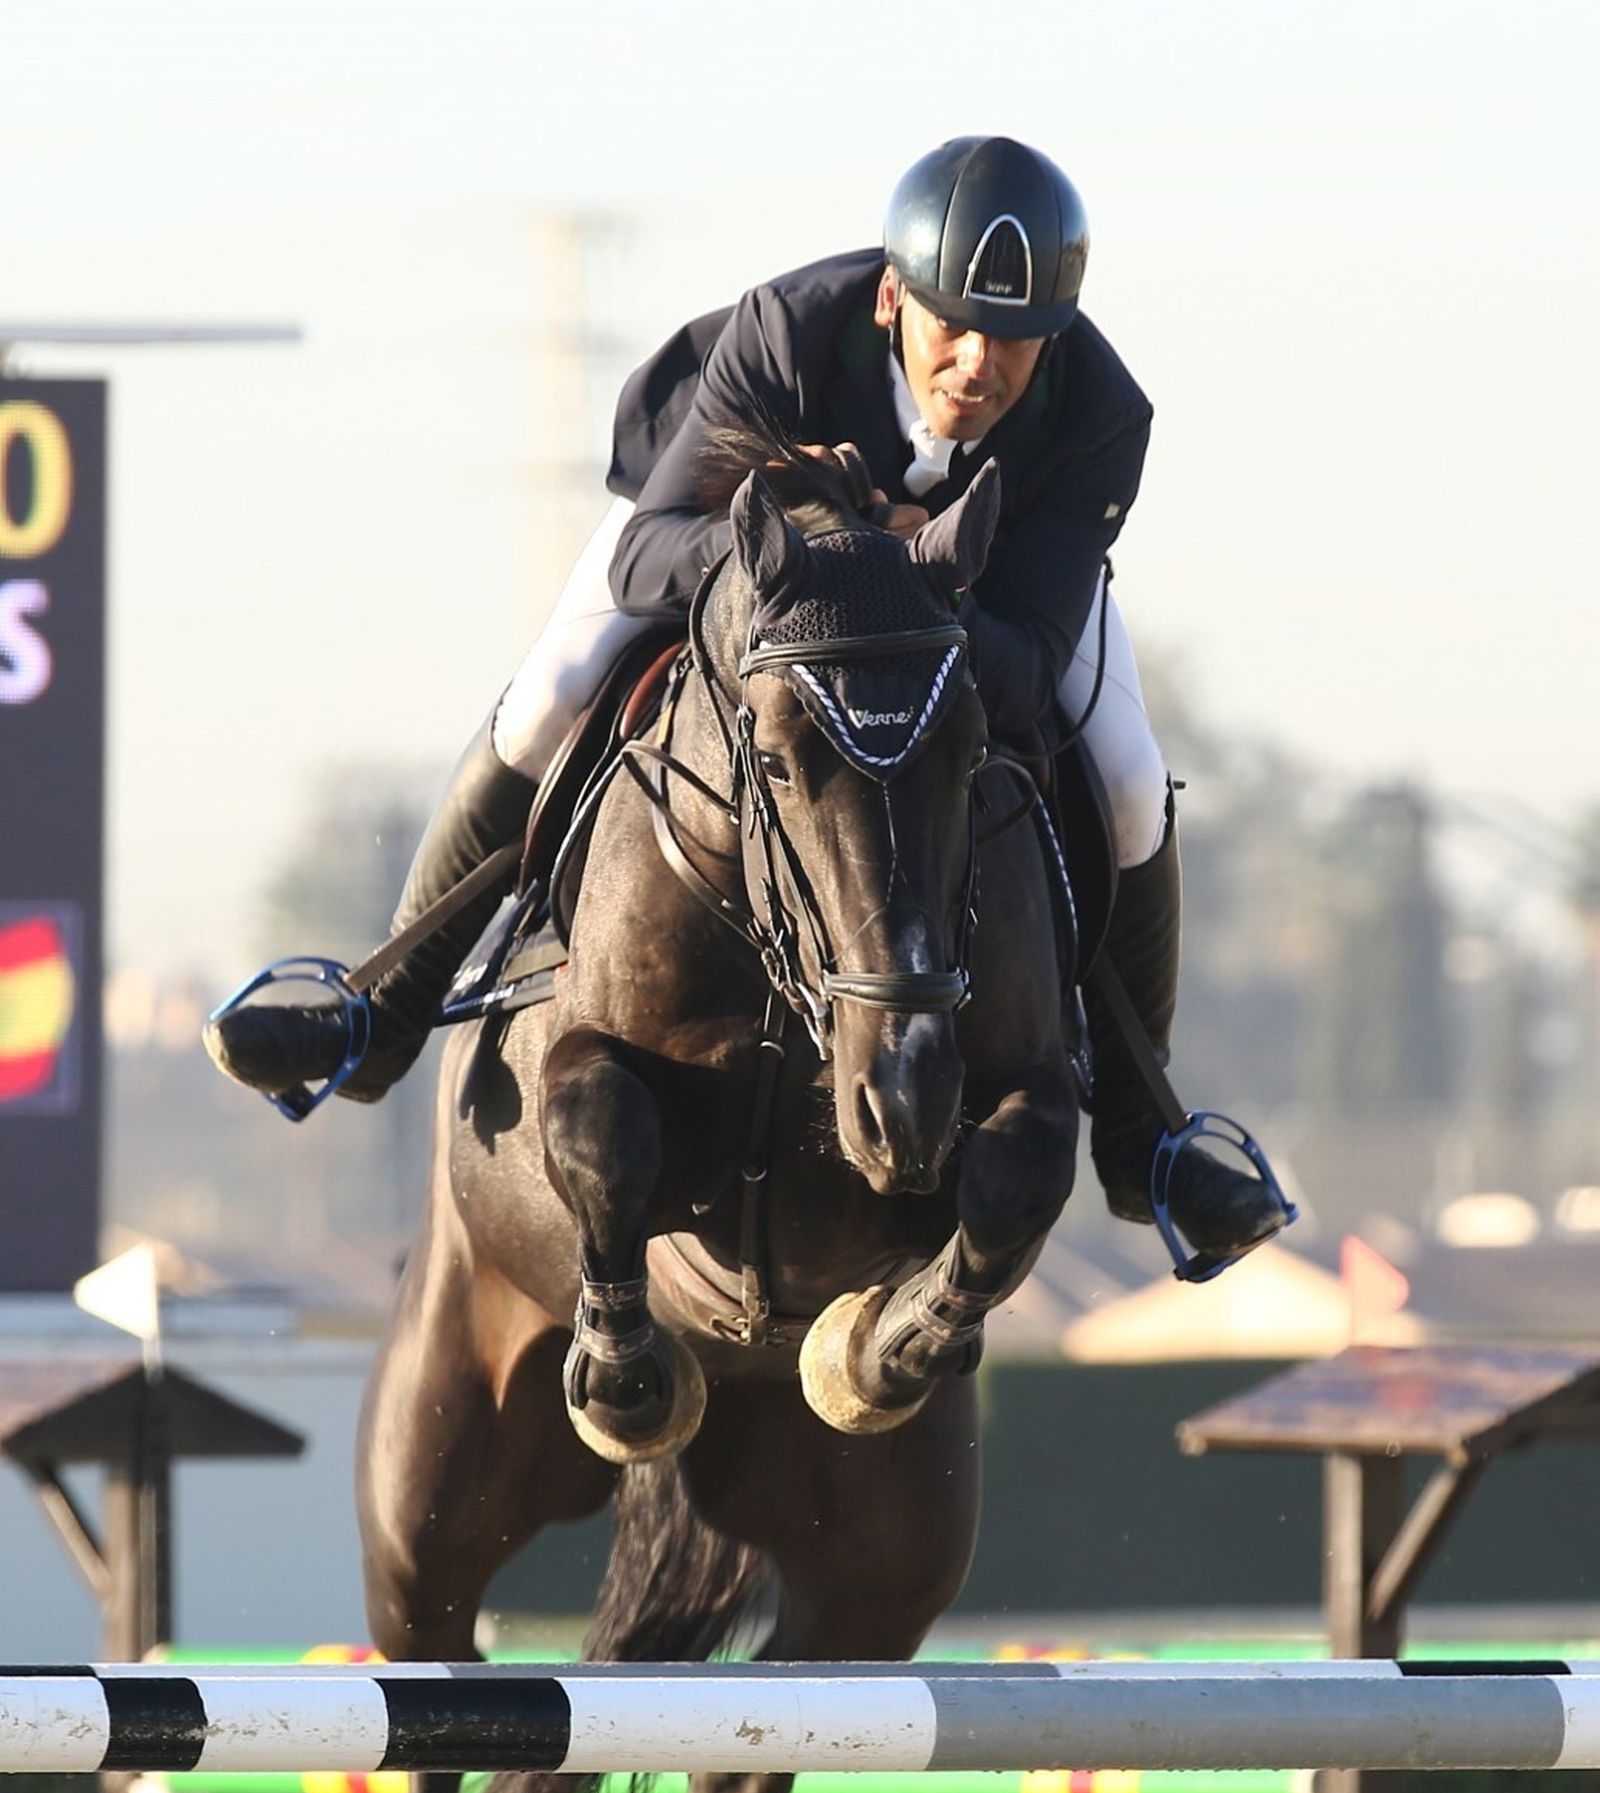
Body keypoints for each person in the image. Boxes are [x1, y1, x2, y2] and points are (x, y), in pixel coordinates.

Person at [207, 134, 1285, 1262]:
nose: (978, 363)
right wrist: (805, 533)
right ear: (890, 299)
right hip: (733, 547)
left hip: (968, 605)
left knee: (1124, 781)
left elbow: (1020, 665)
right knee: (550, 692)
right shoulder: (784, 337)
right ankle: (379, 1013)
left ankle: (1141, 1134)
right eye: (951, 325)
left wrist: (906, 585)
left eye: (1013, 341)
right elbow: (641, 563)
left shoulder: (1101, 419)